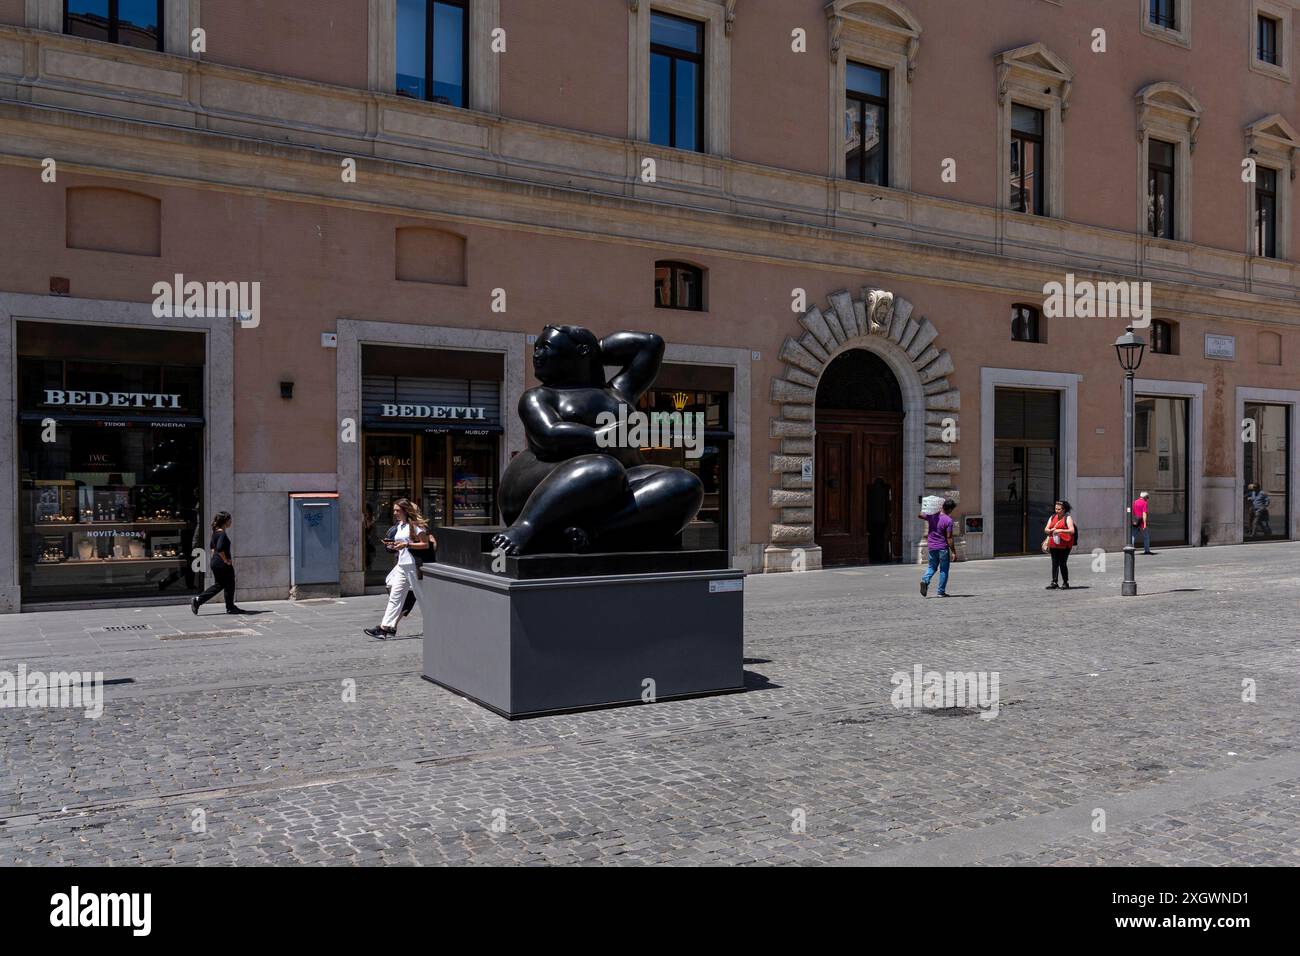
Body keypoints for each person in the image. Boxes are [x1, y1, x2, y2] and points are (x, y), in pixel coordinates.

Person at [490, 326, 702, 556]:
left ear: (581, 352)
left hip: (613, 488)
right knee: (604, 466)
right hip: (538, 487)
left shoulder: (618, 391)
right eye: (537, 348)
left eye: (546, 348)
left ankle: (593, 530)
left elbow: (651, 344)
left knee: (685, 483)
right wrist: (597, 436)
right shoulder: (541, 396)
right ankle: (524, 527)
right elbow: (548, 435)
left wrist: (595, 349)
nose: (537, 355)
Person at [364, 498, 436, 639]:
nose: (395, 513)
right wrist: (393, 545)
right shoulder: (400, 526)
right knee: (395, 597)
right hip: (402, 566)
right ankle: (385, 628)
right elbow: (402, 543)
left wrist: (407, 545)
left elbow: (425, 544)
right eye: (394, 510)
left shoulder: (415, 525)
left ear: (405, 510)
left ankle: (434, 625)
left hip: (414, 566)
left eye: (397, 510)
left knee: (422, 597)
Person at [192, 511, 247, 614]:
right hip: (222, 563)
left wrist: (215, 560)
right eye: (230, 519)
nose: (231, 521)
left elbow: (212, 549)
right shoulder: (222, 533)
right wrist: (225, 560)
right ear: (225, 521)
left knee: (221, 585)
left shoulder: (215, 533)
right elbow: (219, 548)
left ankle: (199, 600)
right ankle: (230, 607)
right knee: (229, 583)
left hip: (216, 563)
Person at [918, 498, 957, 598]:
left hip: (931, 547)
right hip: (942, 548)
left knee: (932, 567)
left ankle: (925, 580)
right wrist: (953, 552)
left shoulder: (933, 516)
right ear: (950, 509)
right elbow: (949, 537)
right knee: (944, 570)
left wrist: (926, 507)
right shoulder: (948, 520)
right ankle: (941, 592)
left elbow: (920, 515)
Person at [1044, 500, 1076, 590]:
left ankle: (1065, 582)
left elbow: (1072, 530)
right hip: (1054, 543)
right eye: (1055, 509)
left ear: (1064, 509)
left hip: (1065, 544)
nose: (1056, 511)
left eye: (1059, 509)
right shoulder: (1052, 517)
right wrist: (1049, 530)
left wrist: (1060, 530)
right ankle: (1054, 582)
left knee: (1062, 563)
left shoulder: (1068, 518)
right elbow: (1046, 529)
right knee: (1054, 563)